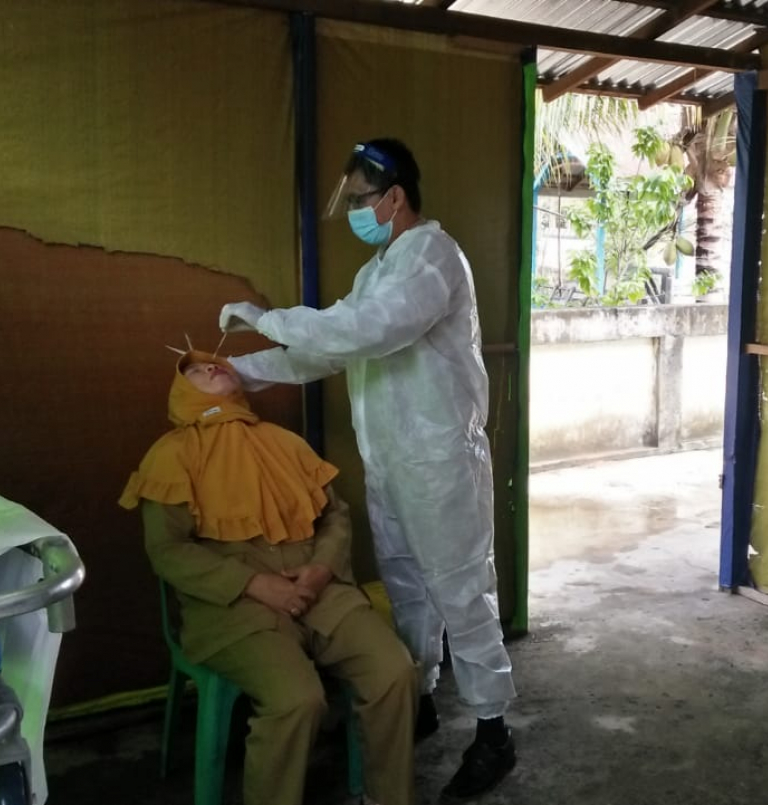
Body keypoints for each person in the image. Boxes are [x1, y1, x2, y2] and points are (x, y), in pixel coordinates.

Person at [218, 138, 517, 797]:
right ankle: (419, 697)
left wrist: (270, 320)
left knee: (461, 592)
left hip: (439, 463)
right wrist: (241, 370)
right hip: (390, 462)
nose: (354, 210)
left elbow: (366, 332)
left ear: (395, 197)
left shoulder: (434, 257)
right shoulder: (375, 271)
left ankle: (494, 730)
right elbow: (329, 350)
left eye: (360, 198)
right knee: (407, 587)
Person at [119, 349, 417, 805]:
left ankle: (388, 798)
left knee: (395, 672)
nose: (211, 367)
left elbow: (335, 515)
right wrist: (253, 584)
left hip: (319, 589)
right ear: (180, 391)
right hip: (235, 607)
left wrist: (320, 569)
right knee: (297, 700)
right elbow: (168, 551)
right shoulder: (170, 455)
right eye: (195, 369)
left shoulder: (285, 443)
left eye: (216, 363)